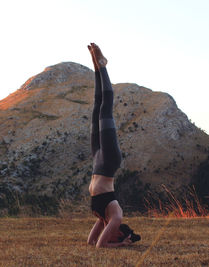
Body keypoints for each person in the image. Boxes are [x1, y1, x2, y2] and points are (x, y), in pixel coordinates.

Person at [86, 43, 140, 248]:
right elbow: (101, 247)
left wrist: (105, 228)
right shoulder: (116, 217)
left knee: (96, 108)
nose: (110, 237)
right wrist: (123, 245)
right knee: (105, 110)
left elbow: (91, 242)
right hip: (108, 161)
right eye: (114, 237)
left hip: (97, 161)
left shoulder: (104, 218)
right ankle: (102, 65)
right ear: (118, 233)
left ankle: (96, 65)